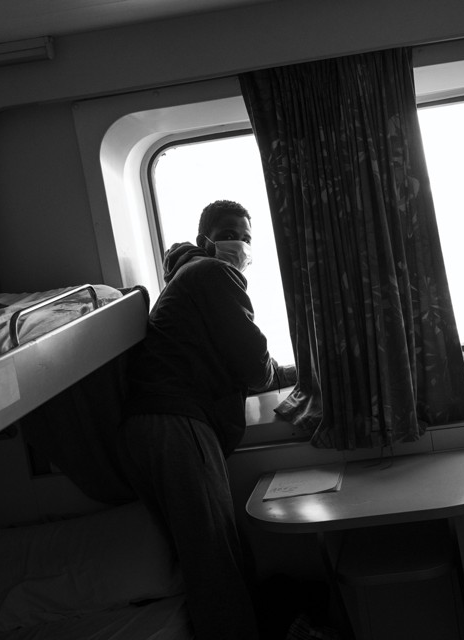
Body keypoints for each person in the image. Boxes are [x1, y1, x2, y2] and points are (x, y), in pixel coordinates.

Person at [118, 199, 294, 640]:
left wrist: (295, 371)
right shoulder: (214, 274)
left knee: (205, 555)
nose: (241, 244)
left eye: (247, 238)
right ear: (206, 241)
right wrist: (304, 369)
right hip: (176, 421)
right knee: (214, 561)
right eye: (232, 233)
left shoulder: (185, 281)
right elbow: (253, 365)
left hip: (153, 424)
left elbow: (242, 368)